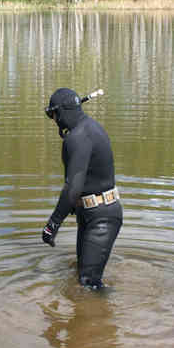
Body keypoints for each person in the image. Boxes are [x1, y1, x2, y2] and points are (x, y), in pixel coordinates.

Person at [42, 88, 122, 289]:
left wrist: (52, 224)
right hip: (92, 213)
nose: (55, 122)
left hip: (101, 218)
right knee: (82, 276)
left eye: (54, 115)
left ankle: (113, 315)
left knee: (89, 284)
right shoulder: (89, 129)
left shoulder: (79, 137)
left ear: (61, 112)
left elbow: (73, 188)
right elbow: (84, 182)